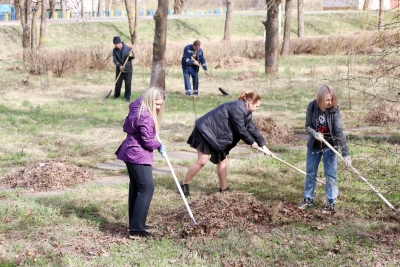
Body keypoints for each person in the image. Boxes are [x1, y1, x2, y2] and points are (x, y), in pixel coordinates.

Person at [180, 91, 273, 197]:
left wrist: (263, 146)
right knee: (202, 160)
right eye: (256, 106)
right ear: (250, 102)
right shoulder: (237, 108)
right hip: (205, 131)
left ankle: (223, 189)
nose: (257, 108)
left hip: (218, 136)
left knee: (222, 160)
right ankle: (184, 184)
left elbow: (251, 128)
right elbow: (241, 130)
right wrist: (252, 142)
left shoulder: (246, 112)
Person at [115, 87, 167, 238]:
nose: (158, 107)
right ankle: (137, 230)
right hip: (138, 154)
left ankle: (136, 223)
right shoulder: (146, 116)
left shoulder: (138, 105)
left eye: (160, 104)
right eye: (157, 104)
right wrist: (159, 145)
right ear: (150, 101)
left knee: (137, 187)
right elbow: (147, 142)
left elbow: (137, 101)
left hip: (129, 151)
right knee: (146, 187)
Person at [298, 85, 351, 213]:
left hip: (330, 146)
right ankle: (308, 199)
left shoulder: (334, 110)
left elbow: (339, 131)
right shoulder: (312, 106)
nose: (330, 102)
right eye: (327, 100)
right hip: (314, 145)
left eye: (332, 99)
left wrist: (346, 153)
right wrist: (315, 134)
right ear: (320, 99)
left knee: (330, 174)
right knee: (310, 172)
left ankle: (331, 202)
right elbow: (308, 126)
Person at [113, 36, 135, 102]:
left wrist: (131, 56)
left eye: (116, 44)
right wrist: (119, 66)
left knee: (128, 83)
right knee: (118, 83)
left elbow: (133, 56)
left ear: (119, 43)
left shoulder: (128, 48)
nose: (115, 46)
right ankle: (116, 95)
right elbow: (114, 59)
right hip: (119, 69)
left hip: (128, 69)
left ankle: (127, 97)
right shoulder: (115, 50)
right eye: (114, 45)